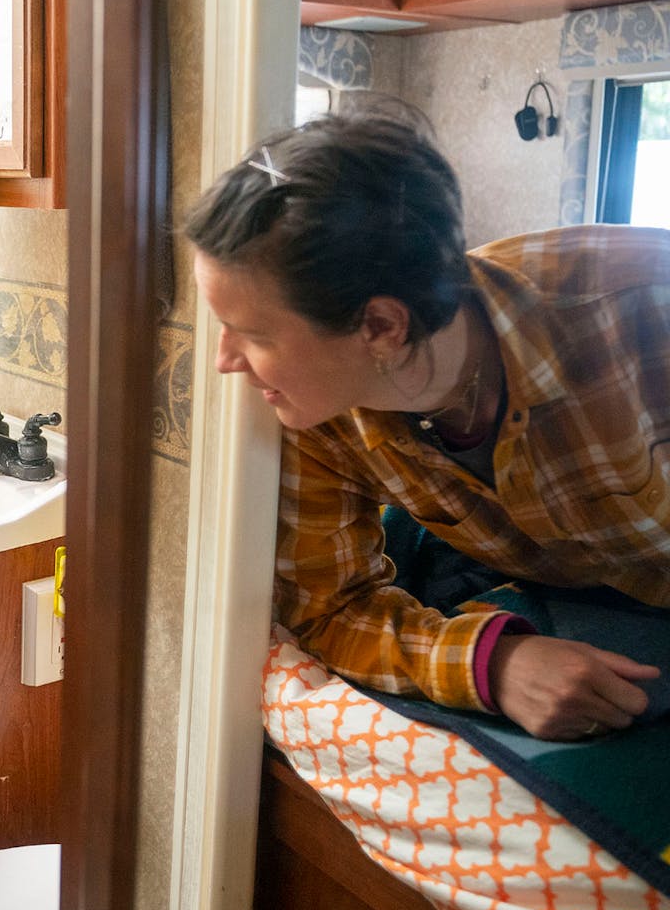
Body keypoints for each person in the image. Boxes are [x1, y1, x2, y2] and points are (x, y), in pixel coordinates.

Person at [184, 102, 669, 743]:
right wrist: (493, 662)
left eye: (251, 334)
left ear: (382, 326)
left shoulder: (640, 307)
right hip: (569, 585)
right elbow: (331, 606)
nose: (223, 362)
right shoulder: (314, 414)